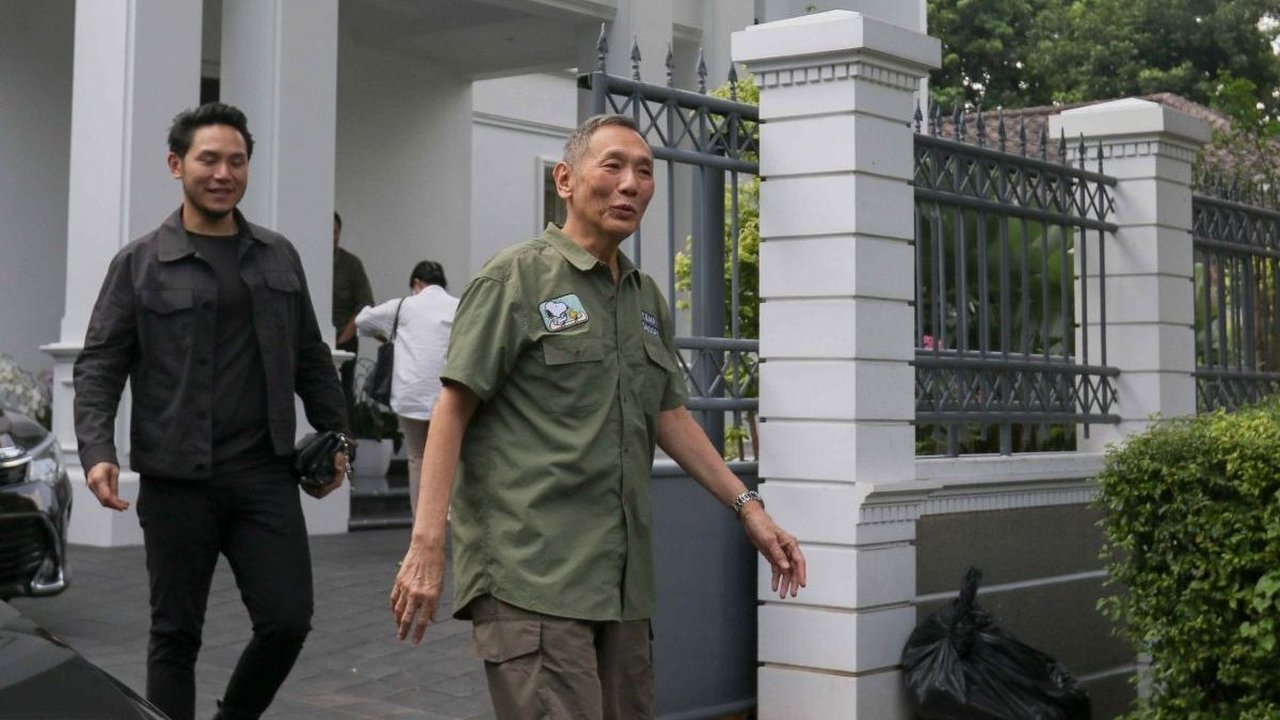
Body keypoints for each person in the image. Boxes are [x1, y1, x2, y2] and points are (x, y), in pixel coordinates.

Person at [390, 114, 807, 719]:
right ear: (565, 179)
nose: (630, 184)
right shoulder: (515, 278)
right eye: (612, 165)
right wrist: (427, 544)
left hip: (621, 585)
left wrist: (750, 510)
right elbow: (452, 407)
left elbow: (669, 416)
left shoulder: (643, 297)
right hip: (531, 577)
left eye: (643, 171)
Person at [73, 102, 348, 720]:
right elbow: (100, 363)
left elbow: (311, 356)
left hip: (264, 477)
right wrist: (97, 452)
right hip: (177, 480)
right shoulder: (140, 262)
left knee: (287, 620)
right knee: (175, 635)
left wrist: (338, 438)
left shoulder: (278, 256)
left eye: (237, 160)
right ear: (177, 165)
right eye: (208, 160)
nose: (223, 172)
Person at [355, 260, 458, 511]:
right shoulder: (458, 306)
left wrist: (388, 334)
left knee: (417, 457)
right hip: (446, 395)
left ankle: (419, 521)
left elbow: (362, 321)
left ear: (416, 283)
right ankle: (447, 515)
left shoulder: (403, 306)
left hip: (409, 395)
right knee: (447, 458)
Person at [332, 211, 375, 417]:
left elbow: (364, 305)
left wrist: (342, 339)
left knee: (344, 394)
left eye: (335, 233)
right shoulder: (307, 259)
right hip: (312, 340)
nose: (331, 237)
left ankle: (347, 444)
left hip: (344, 341)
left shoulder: (352, 265)